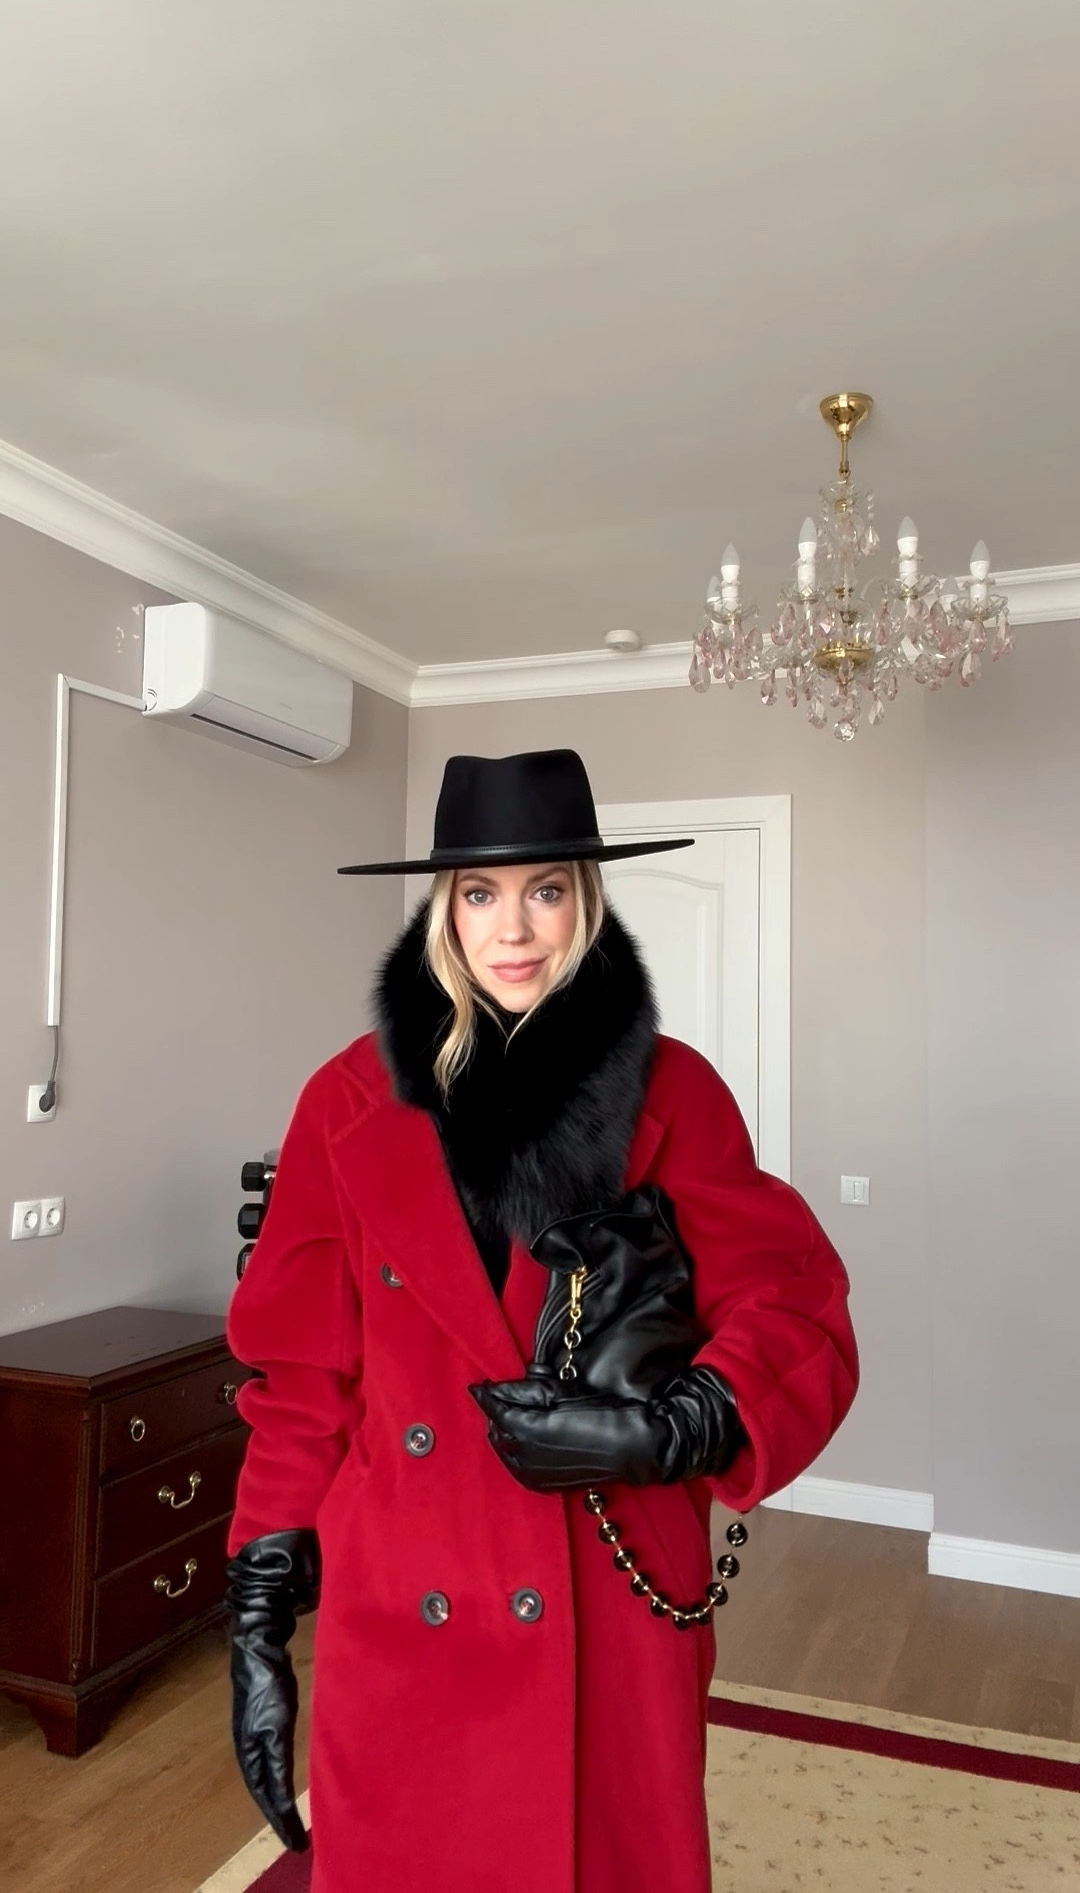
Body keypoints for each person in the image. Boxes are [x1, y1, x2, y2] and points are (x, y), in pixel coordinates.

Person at [224, 748, 858, 1893]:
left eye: (546, 890)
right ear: (444, 910)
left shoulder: (673, 1091)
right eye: (480, 894)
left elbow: (791, 1302)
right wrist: (260, 1600)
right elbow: (303, 1373)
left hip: (605, 1588)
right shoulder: (345, 1103)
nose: (512, 930)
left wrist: (680, 1425)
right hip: (402, 1591)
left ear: (587, 901)